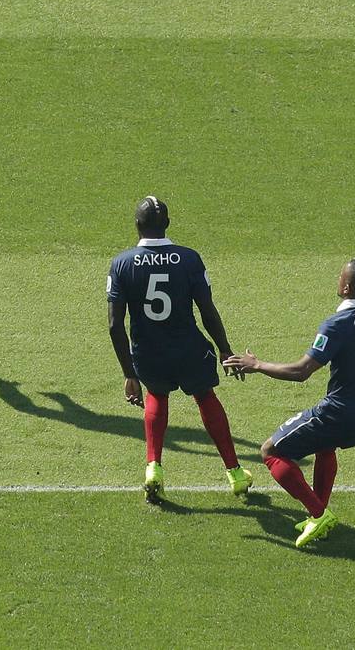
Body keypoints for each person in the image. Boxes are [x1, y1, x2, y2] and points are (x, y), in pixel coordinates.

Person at [224, 258, 355, 549]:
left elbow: (301, 372)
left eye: (340, 276)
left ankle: (318, 512)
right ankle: (317, 516)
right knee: (325, 445)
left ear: (347, 287)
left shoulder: (336, 325)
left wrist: (257, 364)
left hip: (339, 412)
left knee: (271, 451)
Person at [107, 196, 253, 503]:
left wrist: (128, 373)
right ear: (168, 224)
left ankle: (153, 468)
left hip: (148, 352)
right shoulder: (189, 259)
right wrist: (226, 350)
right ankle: (235, 472)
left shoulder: (122, 263)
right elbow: (207, 311)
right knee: (205, 398)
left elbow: (114, 325)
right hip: (189, 348)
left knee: (156, 396)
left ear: (137, 226)